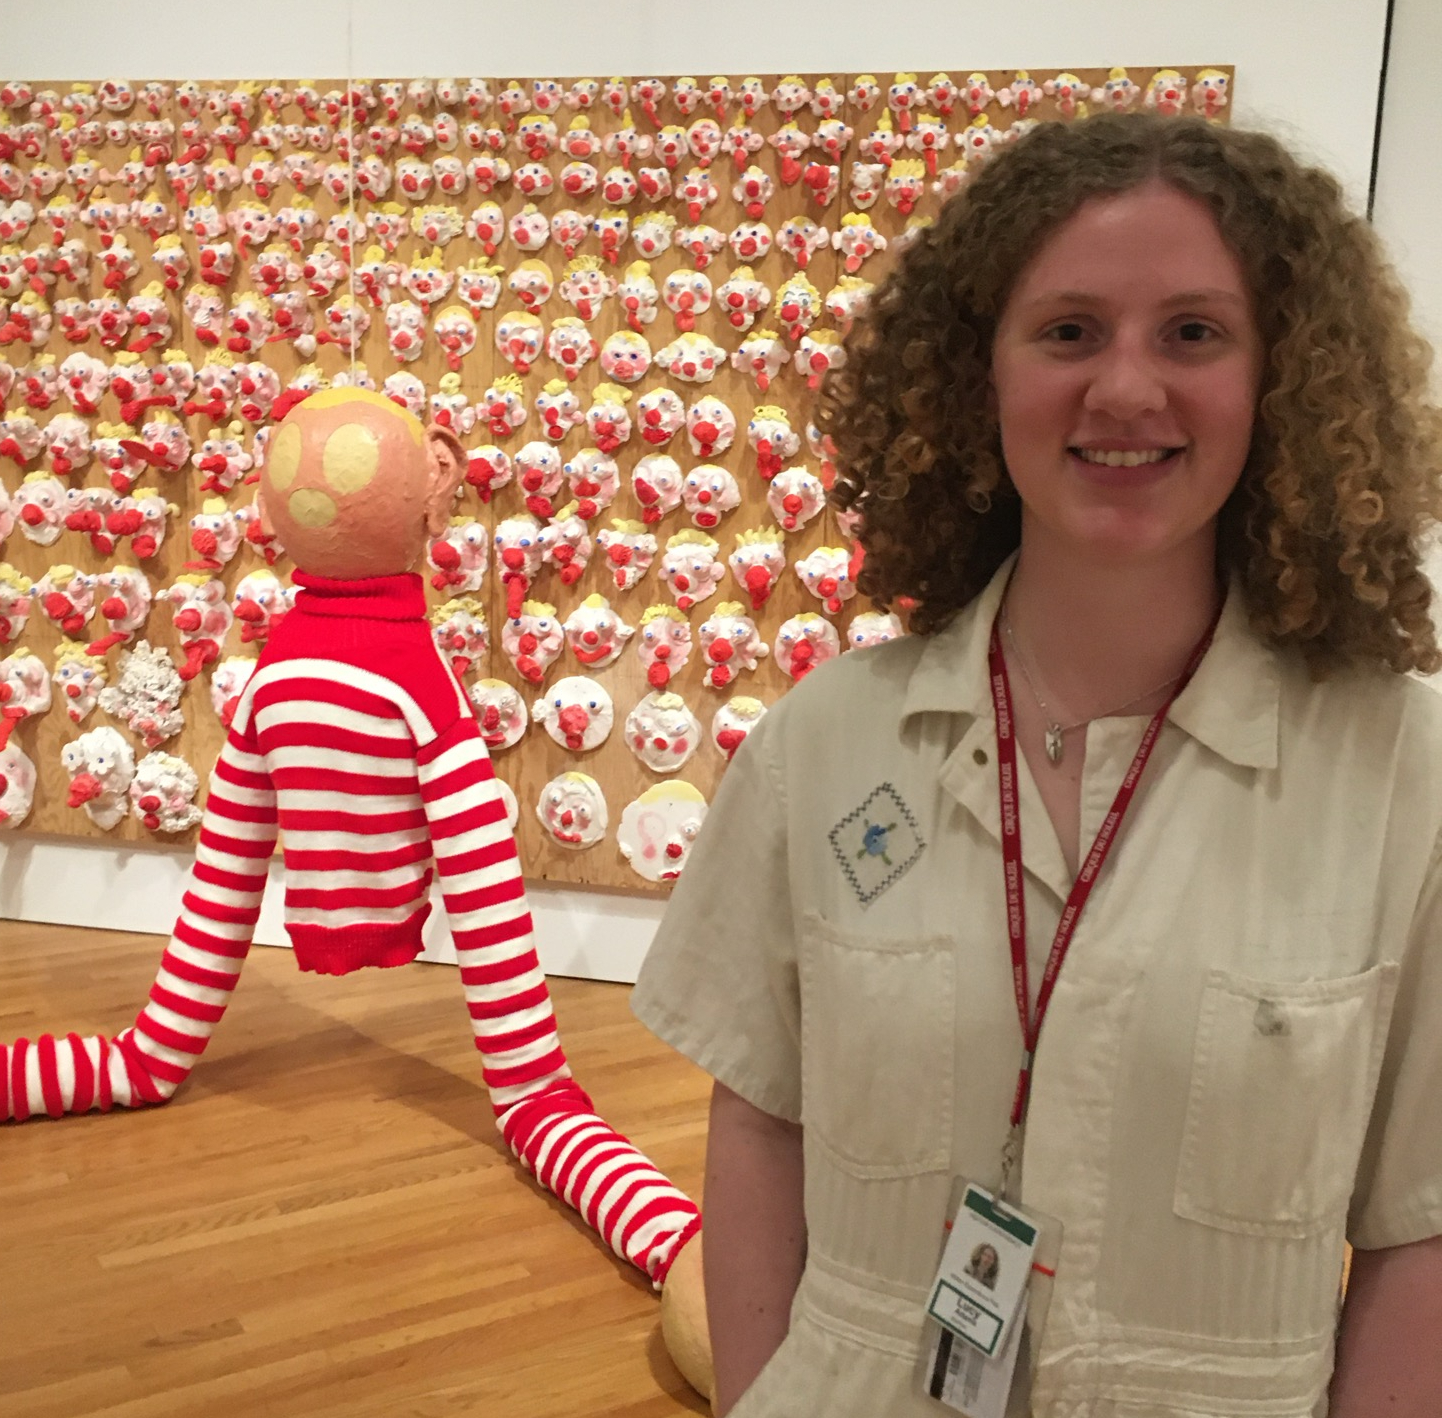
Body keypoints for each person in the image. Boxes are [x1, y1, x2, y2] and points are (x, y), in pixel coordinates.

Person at [631, 111, 1442, 1416]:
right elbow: (761, 1128)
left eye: (1192, 331)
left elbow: (1420, 1226)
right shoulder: (823, 745)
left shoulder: (1405, 775)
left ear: (1282, 374)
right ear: (977, 374)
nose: (1124, 387)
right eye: (1067, 330)